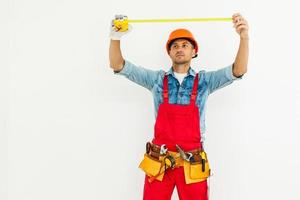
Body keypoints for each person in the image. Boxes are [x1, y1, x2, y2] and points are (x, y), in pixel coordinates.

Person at [109, 13, 249, 200]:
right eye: (175, 46)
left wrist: (244, 37)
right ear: (169, 52)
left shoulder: (205, 82)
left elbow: (238, 70)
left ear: (194, 51)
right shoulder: (157, 80)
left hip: (192, 164)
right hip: (159, 163)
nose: (179, 49)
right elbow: (117, 64)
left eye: (185, 45)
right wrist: (115, 38)